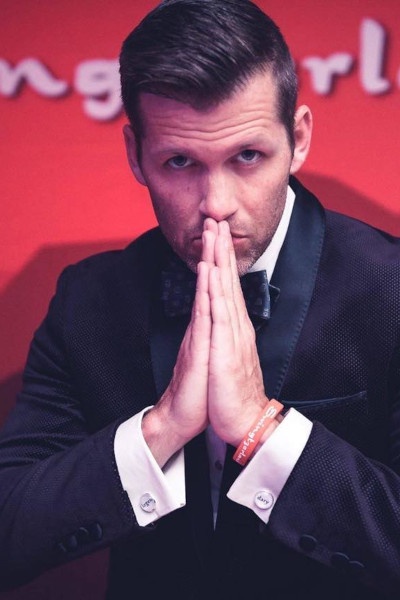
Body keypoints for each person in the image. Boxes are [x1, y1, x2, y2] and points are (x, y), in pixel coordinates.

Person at [0, 1, 399, 598]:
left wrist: (263, 429)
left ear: (298, 139)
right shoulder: (87, 301)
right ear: (136, 155)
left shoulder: (391, 288)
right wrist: (160, 429)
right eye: (180, 161)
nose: (216, 204)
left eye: (247, 157)